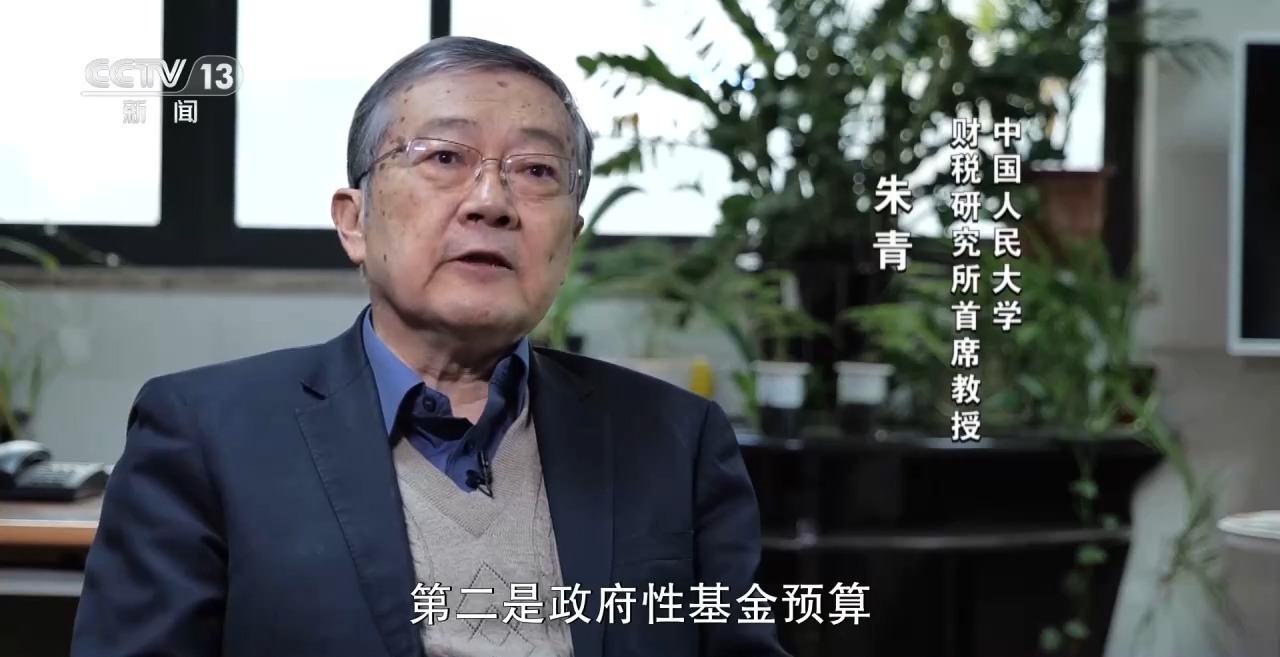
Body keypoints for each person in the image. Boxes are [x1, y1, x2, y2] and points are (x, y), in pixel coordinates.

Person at [71, 36, 788, 657]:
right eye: (444, 156)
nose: (491, 202)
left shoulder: (675, 438)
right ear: (354, 222)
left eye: (537, 171)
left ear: (569, 239)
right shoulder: (204, 434)